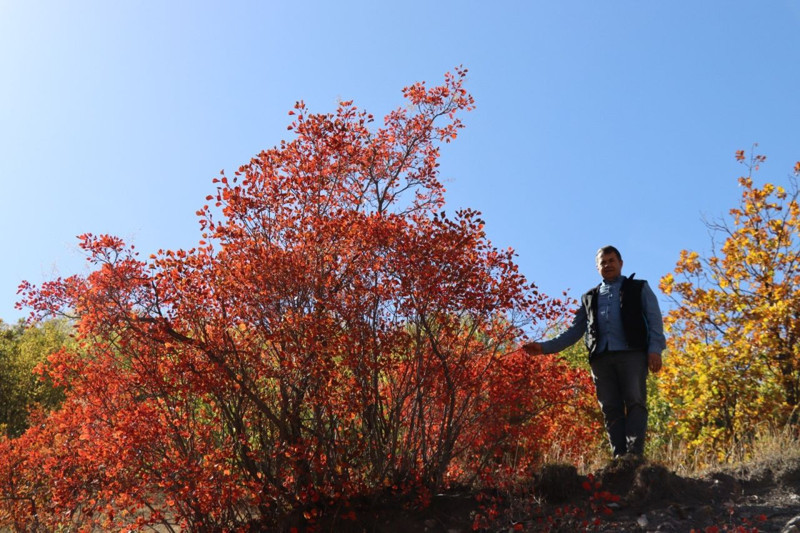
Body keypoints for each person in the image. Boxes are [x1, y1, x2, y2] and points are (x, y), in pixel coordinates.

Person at [523, 246, 665, 458]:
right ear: (597, 267)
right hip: (601, 359)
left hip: (632, 354)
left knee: (635, 401)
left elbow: (655, 320)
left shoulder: (639, 287)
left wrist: (654, 349)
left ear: (621, 263)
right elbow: (573, 332)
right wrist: (544, 348)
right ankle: (619, 457)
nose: (607, 265)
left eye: (611, 260)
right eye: (603, 262)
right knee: (609, 407)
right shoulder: (589, 297)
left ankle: (634, 457)